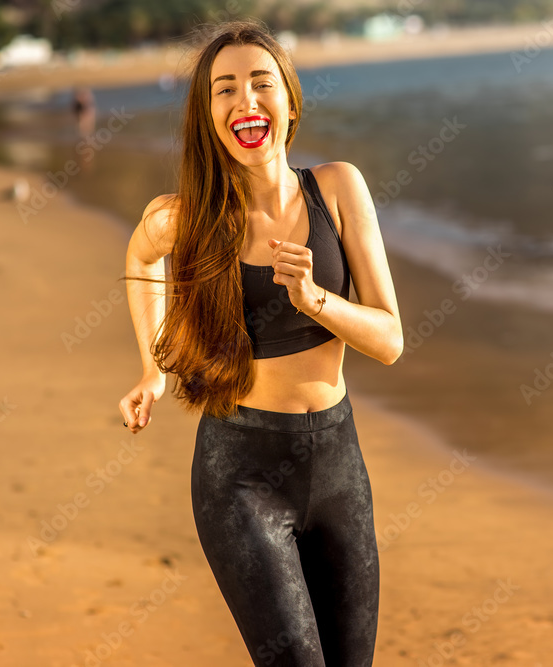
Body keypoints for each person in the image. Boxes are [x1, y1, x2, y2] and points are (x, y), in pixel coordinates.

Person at [117, 18, 403, 667]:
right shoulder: (188, 217)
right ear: (207, 113)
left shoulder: (338, 188)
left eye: (260, 83)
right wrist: (151, 367)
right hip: (239, 472)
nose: (245, 101)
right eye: (224, 89)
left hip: (338, 464)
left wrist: (315, 300)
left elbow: (389, 340)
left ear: (290, 101)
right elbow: (141, 254)